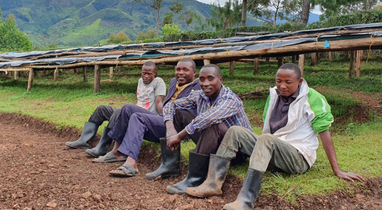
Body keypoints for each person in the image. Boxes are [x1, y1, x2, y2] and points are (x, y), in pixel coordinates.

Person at [185, 63, 364, 210]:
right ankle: (212, 184)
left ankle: (246, 199)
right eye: (279, 81)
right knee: (235, 131)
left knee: (267, 139)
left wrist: (337, 170)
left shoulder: (313, 99)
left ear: (299, 81)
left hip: (297, 156)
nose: (282, 86)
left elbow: (325, 133)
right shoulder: (273, 95)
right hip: (273, 149)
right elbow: (267, 128)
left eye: (288, 82)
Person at [94, 58, 200, 177]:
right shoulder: (173, 82)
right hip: (164, 119)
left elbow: (188, 113)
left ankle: (131, 163)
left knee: (138, 118)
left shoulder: (198, 86)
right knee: (127, 108)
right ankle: (117, 152)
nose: (180, 72)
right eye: (178, 69)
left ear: (194, 73)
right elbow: (165, 104)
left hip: (176, 128)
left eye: (185, 70)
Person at [163, 64, 253, 195]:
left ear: (220, 80)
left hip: (234, 153)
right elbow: (171, 104)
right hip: (213, 144)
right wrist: (170, 128)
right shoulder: (200, 96)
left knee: (212, 123)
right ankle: (169, 164)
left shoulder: (230, 99)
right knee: (180, 113)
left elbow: (208, 118)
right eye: (202, 79)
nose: (205, 83)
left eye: (210, 79)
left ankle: (194, 178)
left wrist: (179, 136)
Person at [66, 61, 166, 158]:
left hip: (145, 116)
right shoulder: (140, 81)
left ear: (155, 73)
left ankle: (103, 147)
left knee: (119, 112)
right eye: (144, 73)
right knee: (102, 109)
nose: (146, 76)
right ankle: (83, 140)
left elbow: (159, 103)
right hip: (132, 111)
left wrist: (162, 120)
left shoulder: (158, 82)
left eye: (149, 74)